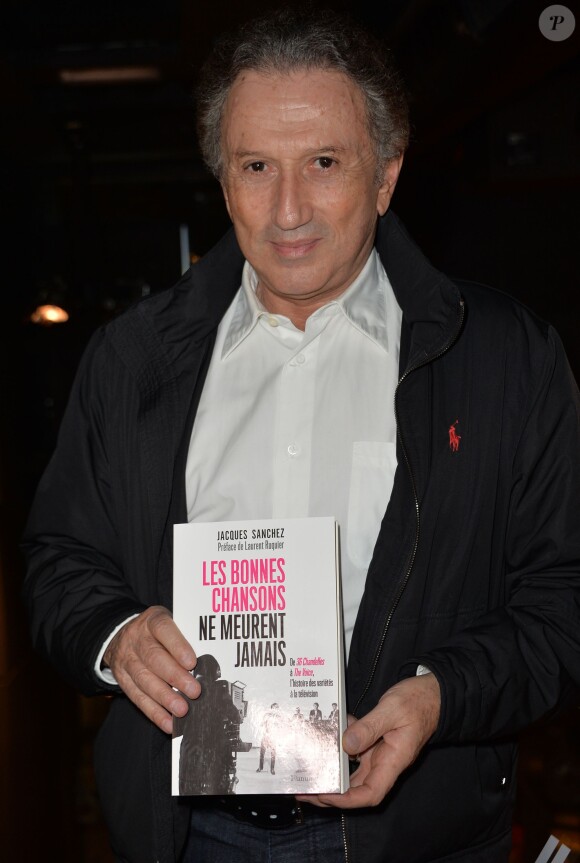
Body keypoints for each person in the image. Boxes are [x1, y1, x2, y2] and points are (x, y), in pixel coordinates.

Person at [21, 5, 580, 863]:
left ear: (386, 175)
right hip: (185, 837)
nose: (288, 210)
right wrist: (114, 634)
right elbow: (59, 556)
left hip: (409, 838)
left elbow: (563, 599)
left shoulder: (503, 357)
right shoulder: (132, 359)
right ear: (223, 176)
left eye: (323, 162)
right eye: (256, 166)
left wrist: (441, 695)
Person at [174, 654, 241, 795]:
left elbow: (176, 729)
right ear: (213, 670)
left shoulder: (184, 691)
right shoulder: (220, 689)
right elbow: (235, 717)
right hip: (215, 757)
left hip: (190, 757)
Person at [256, 702, 280, 775]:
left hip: (273, 737)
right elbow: (262, 724)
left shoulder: (278, 717)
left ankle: (272, 769)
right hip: (266, 736)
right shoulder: (267, 715)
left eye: (277, 707)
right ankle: (260, 767)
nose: (276, 709)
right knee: (262, 752)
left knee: (273, 754)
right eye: (275, 707)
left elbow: (279, 726)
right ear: (272, 708)